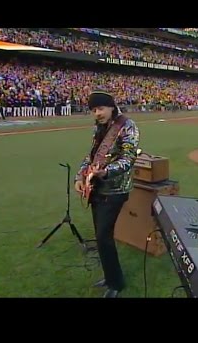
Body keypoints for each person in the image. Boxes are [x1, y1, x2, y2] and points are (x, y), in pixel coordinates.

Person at [74, 91, 140, 298]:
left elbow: (128, 159)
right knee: (102, 237)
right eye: (94, 110)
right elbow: (91, 155)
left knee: (104, 236)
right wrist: (79, 176)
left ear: (111, 107)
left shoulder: (127, 126)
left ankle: (116, 283)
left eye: (100, 108)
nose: (97, 113)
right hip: (98, 188)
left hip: (116, 189)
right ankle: (110, 277)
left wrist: (106, 172)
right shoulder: (100, 128)